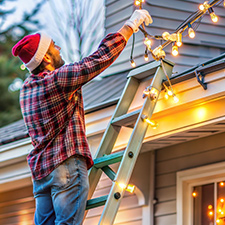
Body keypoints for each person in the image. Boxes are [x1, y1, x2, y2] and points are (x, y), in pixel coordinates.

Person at [12, 9, 152, 225]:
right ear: (46, 57)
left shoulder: (26, 90)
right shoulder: (57, 80)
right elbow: (98, 59)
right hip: (66, 166)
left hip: (41, 175)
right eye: (54, 46)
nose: (58, 48)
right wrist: (131, 25)